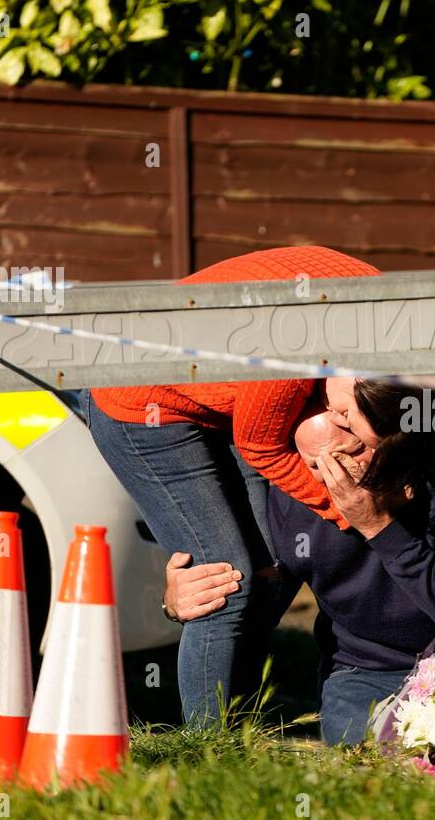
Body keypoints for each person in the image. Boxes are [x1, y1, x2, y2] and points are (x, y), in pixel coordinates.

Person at [82, 246, 380, 724]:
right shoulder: (293, 354)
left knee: (272, 570)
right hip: (140, 402)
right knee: (227, 583)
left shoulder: (392, 322)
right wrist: (345, 509)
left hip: (225, 395)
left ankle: (242, 721)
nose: (342, 425)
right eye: (343, 415)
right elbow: (260, 448)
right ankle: (212, 749)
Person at [166, 380, 435, 745]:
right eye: (315, 464)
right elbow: (255, 604)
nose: (339, 475)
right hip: (363, 673)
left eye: (352, 448)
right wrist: (179, 602)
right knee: (379, 768)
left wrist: (381, 528)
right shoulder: (294, 500)